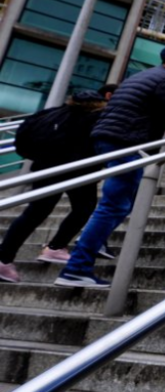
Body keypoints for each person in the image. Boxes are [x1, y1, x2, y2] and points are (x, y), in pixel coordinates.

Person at [55, 47, 165, 288]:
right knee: (114, 205)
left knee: (118, 203)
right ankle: (76, 267)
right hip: (126, 142)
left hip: (110, 139)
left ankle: (93, 247)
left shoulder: (144, 76)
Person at [0, 91, 107, 282]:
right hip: (77, 170)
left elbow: (23, 138)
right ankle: (56, 247)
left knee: (34, 213)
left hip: (46, 167)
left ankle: (3, 259)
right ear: (98, 104)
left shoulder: (52, 113)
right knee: (84, 207)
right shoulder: (95, 118)